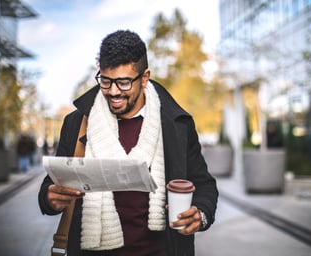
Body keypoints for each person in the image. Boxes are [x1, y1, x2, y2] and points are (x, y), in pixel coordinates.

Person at [38, 29, 218, 255]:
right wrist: (49, 198)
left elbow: (204, 184)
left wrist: (200, 213)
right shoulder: (77, 123)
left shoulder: (176, 124)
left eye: (123, 82)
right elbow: (51, 186)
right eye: (105, 81)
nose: (113, 92)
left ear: (144, 78)